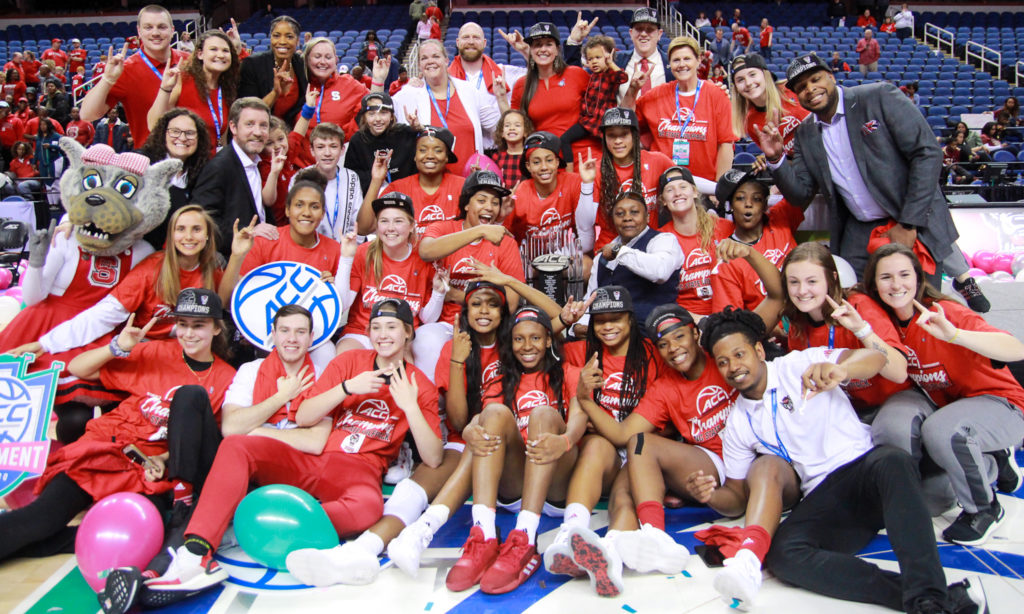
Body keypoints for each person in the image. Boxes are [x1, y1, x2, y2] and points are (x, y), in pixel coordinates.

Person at [693, 307, 987, 614]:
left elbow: (876, 359)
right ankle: (935, 599)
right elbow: (737, 496)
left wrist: (842, 370)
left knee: (892, 460)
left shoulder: (798, 364)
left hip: (866, 469)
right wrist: (711, 494)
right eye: (723, 362)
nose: (733, 367)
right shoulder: (738, 421)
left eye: (739, 354)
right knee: (784, 555)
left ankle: (927, 597)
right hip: (825, 494)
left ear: (757, 350)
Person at [149, 298, 441, 596]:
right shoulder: (348, 363)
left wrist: (410, 406)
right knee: (237, 445)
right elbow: (304, 416)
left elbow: (432, 457)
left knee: (369, 508)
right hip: (315, 461)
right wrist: (346, 388)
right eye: (376, 327)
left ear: (408, 332)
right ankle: (196, 554)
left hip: (361, 470)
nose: (383, 335)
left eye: (391, 327)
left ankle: (254, 529)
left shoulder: (421, 387)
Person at [0, 288, 235, 564]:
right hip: (103, 449)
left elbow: (206, 440)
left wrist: (163, 459)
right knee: (40, 520)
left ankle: (72, 539)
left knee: (147, 534)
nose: (189, 333)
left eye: (199, 325)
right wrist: (118, 347)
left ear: (217, 329)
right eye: (183, 324)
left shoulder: (226, 378)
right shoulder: (157, 351)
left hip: (149, 469)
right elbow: (79, 368)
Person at [758, 52, 982, 314]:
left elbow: (927, 152)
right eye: (801, 88)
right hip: (859, 232)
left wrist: (909, 223)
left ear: (831, 76)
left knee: (921, 309)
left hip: (910, 221)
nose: (810, 90)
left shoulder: (879, 96)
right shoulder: (806, 132)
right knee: (859, 308)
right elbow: (800, 195)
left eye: (815, 79)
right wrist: (776, 158)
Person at [865, 243, 1024, 545]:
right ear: (874, 284)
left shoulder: (944, 312)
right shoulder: (884, 323)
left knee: (943, 430)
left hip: (1000, 403)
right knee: (898, 422)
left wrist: (954, 335)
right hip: (947, 403)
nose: (896, 285)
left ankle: (985, 508)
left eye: (904, 275)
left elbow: (1016, 349)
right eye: (886, 277)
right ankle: (987, 462)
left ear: (918, 278)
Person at [780, 241, 910, 418]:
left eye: (812, 281)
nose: (802, 290)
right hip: (846, 409)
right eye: (794, 282)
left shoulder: (858, 307)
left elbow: (899, 373)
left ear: (832, 278)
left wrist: (861, 330)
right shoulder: (797, 324)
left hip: (890, 403)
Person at [417, 170, 523, 379]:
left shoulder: (506, 242)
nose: (489, 207)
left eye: (495, 202)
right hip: (448, 322)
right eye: (481, 200)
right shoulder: (443, 227)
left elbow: (510, 304)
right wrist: (480, 231)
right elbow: (426, 251)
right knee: (425, 339)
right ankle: (432, 407)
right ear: (466, 204)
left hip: (488, 323)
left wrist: (458, 295)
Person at [336, 191, 442, 355]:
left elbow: (427, 319)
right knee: (345, 357)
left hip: (403, 337)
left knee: (401, 373)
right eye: (384, 221)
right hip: (362, 333)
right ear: (377, 225)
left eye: (398, 221)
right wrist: (346, 258)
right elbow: (342, 305)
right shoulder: (364, 253)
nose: (390, 228)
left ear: (412, 225)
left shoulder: (422, 258)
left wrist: (439, 293)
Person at [393, 38, 504, 175]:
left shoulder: (469, 90)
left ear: (446, 60)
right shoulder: (409, 95)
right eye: (424, 58)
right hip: (432, 183)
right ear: (419, 65)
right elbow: (378, 117)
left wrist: (501, 97)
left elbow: (499, 128)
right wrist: (379, 82)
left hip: (470, 181)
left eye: (435, 56)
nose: (430, 61)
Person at [79, 5, 188, 144]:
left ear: (172, 30)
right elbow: (87, 114)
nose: (155, 33)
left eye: (162, 27)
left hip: (195, 157)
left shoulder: (190, 63)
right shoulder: (126, 69)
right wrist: (107, 79)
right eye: (148, 27)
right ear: (139, 31)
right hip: (152, 160)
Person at [636, 36, 735, 183]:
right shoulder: (655, 95)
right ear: (669, 64)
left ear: (698, 60)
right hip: (663, 184)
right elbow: (626, 120)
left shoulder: (717, 95)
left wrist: (718, 189)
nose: (682, 64)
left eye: (687, 59)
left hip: (705, 185)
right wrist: (633, 90)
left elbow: (726, 145)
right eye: (676, 60)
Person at [582, 189, 682, 331]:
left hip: (652, 332)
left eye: (634, 212)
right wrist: (581, 325)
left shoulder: (663, 240)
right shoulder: (601, 258)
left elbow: (660, 272)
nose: (627, 218)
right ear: (613, 220)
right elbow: (591, 299)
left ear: (647, 217)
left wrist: (619, 251)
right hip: (611, 333)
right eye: (620, 214)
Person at [192, 97, 278, 258]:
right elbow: (202, 220)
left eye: (263, 125)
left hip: (256, 257)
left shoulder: (254, 161)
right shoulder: (219, 167)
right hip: (230, 263)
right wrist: (247, 232)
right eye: (250, 124)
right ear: (233, 127)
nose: (258, 132)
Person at [711, 168, 803, 312]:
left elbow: (805, 183)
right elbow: (732, 322)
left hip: (806, 315)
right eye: (740, 198)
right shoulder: (728, 258)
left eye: (757, 199)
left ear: (765, 205)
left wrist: (774, 163)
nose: (748, 204)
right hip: (767, 330)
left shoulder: (780, 219)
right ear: (730, 206)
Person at [511, 22, 596, 162]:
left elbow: (598, 110)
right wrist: (501, 97)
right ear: (531, 50)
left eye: (548, 44)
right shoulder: (522, 85)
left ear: (557, 50)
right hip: (548, 161)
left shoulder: (577, 75)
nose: (543, 49)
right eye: (537, 44)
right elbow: (514, 124)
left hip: (586, 156)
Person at [656, 166, 733, 318]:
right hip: (685, 321)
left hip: (727, 314)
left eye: (683, 187)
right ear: (663, 200)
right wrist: (699, 321)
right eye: (670, 190)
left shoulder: (725, 228)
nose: (678, 193)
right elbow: (661, 298)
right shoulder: (660, 239)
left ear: (695, 192)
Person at [148, 31, 240, 153]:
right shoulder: (182, 79)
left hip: (212, 166)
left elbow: (222, 137)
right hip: (185, 165)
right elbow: (153, 125)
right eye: (213, 49)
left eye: (225, 51)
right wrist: (165, 89)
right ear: (200, 54)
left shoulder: (227, 88)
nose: (221, 55)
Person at [363, 126, 465, 235]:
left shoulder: (462, 186)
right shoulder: (398, 188)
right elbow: (364, 228)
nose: (430, 155)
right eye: (422, 150)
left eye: (438, 150)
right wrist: (376, 181)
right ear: (415, 156)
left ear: (447, 157)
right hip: (407, 252)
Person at [506, 130, 595, 247]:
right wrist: (502, 217)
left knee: (587, 262)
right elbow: (502, 237)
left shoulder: (573, 182)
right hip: (528, 259)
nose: (544, 167)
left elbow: (586, 231)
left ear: (557, 162)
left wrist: (587, 184)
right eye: (536, 162)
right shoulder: (520, 194)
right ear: (528, 166)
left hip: (563, 257)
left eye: (549, 160)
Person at [139, 108, 211, 248]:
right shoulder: (144, 163)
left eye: (190, 133)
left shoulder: (201, 173)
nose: (182, 138)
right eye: (175, 131)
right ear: (163, 134)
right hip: (142, 249)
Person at [559, 36, 628, 169]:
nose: (594, 62)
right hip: (587, 121)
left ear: (609, 57)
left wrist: (610, 63)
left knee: (611, 149)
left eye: (598, 57)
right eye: (590, 59)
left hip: (604, 123)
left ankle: (617, 171)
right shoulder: (591, 76)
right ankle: (569, 171)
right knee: (564, 139)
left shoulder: (610, 75)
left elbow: (623, 77)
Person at [290, 122, 363, 241]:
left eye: (333, 146)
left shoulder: (351, 177)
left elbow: (357, 220)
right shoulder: (300, 178)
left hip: (344, 248)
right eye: (320, 147)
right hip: (311, 248)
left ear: (342, 149)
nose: (327, 153)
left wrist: (352, 247)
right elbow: (295, 220)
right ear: (312, 151)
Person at [730, 54, 810, 162]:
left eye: (752, 74)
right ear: (736, 88)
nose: (748, 83)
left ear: (765, 75)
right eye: (740, 80)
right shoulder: (751, 123)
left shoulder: (791, 88)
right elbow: (782, 158)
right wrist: (770, 160)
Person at [301, 37, 383, 140]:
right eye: (317, 57)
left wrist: (344, 137)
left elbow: (373, 104)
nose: (322, 62)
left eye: (328, 57)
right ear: (307, 59)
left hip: (341, 153)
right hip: (302, 155)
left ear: (336, 59)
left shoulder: (349, 84)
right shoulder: (298, 85)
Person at [237, 15, 307, 126]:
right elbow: (247, 113)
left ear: (297, 41)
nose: (282, 41)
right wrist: (275, 93)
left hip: (290, 134)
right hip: (258, 130)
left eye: (289, 37)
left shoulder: (302, 65)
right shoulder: (252, 65)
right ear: (270, 39)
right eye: (276, 36)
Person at [345, 92, 418, 194]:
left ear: (392, 116)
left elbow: (440, 137)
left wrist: (419, 128)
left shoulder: (405, 133)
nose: (378, 119)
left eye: (383, 113)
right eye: (371, 114)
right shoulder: (358, 140)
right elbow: (351, 176)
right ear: (364, 117)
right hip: (372, 195)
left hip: (407, 193)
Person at [449, 22, 527, 104]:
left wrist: (525, 50)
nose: (471, 42)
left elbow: (539, 73)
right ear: (457, 42)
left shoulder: (504, 72)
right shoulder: (445, 78)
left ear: (484, 43)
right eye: (465, 37)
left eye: (476, 37)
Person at [488, 108, 532, 187]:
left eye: (517, 125)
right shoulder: (496, 157)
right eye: (507, 125)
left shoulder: (530, 156)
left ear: (525, 131)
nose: (512, 128)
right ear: (502, 133)